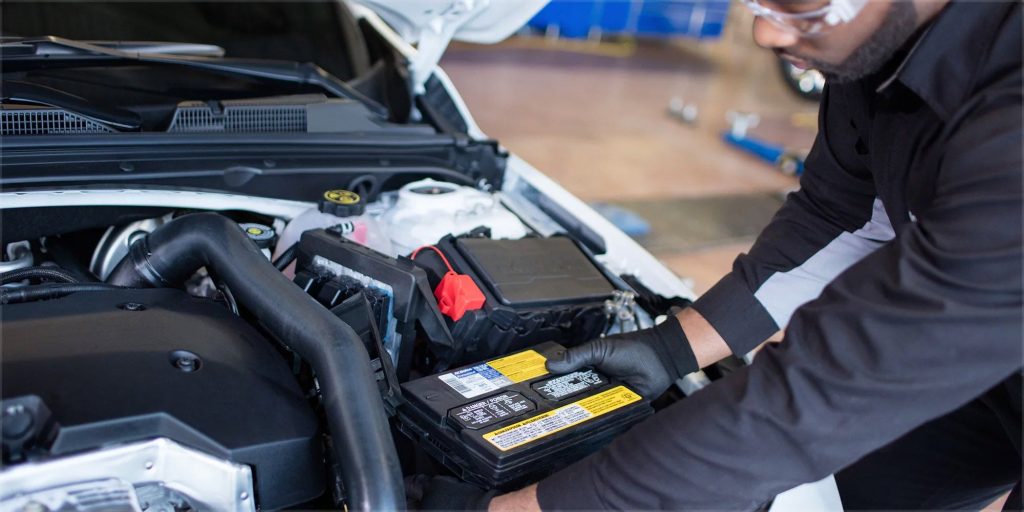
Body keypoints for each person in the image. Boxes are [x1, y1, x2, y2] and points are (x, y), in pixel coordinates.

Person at [414, 0, 1022, 509]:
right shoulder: (877, 53)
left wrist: (521, 508)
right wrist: (669, 348)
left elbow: (819, 392)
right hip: (979, 357)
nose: (766, 29)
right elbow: (843, 214)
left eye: (798, 5)